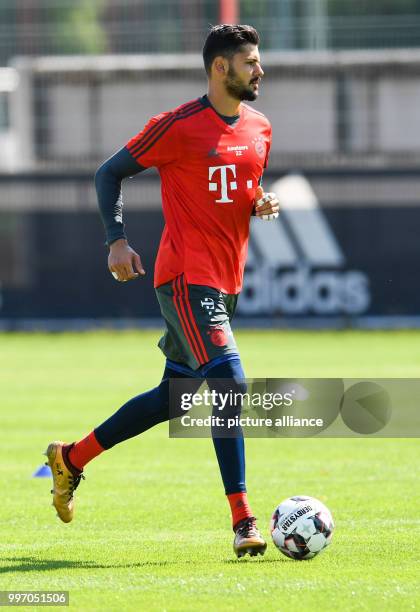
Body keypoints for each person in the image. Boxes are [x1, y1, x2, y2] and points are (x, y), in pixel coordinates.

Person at [44, 24, 279, 559]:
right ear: (221, 68)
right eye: (250, 62)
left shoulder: (261, 127)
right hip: (184, 278)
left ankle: (71, 458)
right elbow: (109, 173)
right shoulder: (177, 125)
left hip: (225, 281)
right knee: (230, 385)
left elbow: (238, 187)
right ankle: (244, 520)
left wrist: (258, 201)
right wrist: (116, 242)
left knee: (174, 398)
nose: (259, 70)